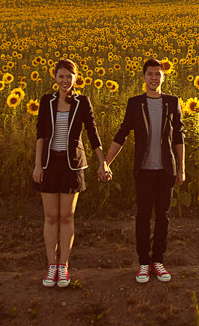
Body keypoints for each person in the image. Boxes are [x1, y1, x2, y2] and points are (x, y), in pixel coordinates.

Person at [100, 58, 185, 284]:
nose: (154, 78)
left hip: (166, 170)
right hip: (144, 170)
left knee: (163, 216)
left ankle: (158, 260)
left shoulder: (172, 102)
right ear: (144, 77)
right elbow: (123, 134)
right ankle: (143, 263)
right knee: (143, 216)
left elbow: (178, 136)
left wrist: (181, 169)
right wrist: (106, 162)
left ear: (163, 77)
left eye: (158, 74)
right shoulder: (135, 103)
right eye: (150, 74)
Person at [32, 58, 102, 289]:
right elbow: (41, 133)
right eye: (61, 76)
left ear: (75, 78)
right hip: (50, 164)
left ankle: (63, 265)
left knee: (67, 217)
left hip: (73, 165)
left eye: (68, 76)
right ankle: (51, 265)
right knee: (51, 217)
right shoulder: (47, 101)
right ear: (55, 77)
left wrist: (103, 163)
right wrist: (37, 165)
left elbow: (92, 133)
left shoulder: (82, 102)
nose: (65, 81)